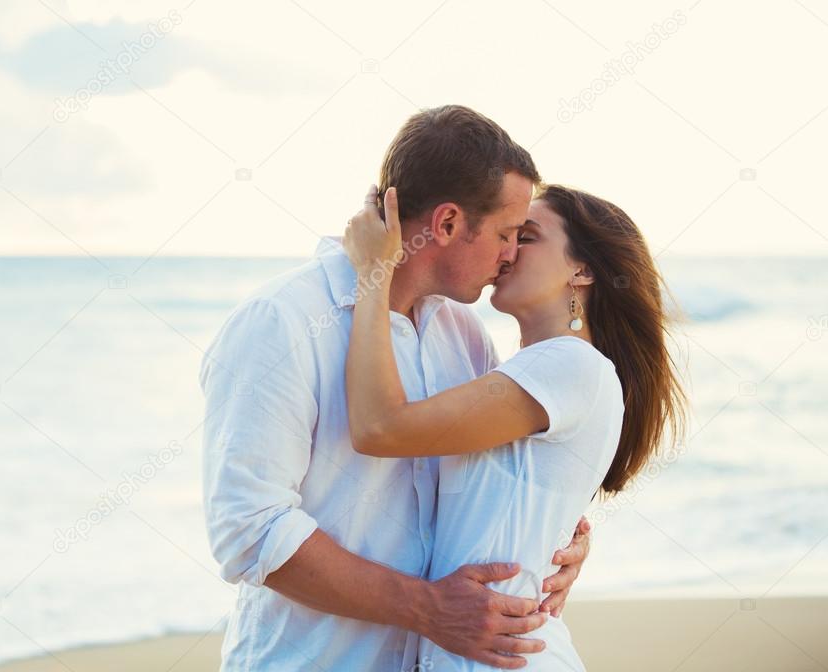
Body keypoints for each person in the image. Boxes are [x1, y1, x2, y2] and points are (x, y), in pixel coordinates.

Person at [200, 105, 592, 671]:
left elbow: (500, 483)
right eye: (507, 234)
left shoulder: (464, 334)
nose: (510, 255)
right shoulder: (281, 320)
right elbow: (249, 530)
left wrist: (565, 543)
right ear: (449, 223)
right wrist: (429, 610)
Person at [341, 182, 687, 670]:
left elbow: (379, 429)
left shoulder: (569, 366)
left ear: (581, 269)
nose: (505, 252)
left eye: (525, 237)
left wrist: (372, 274)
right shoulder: (528, 372)